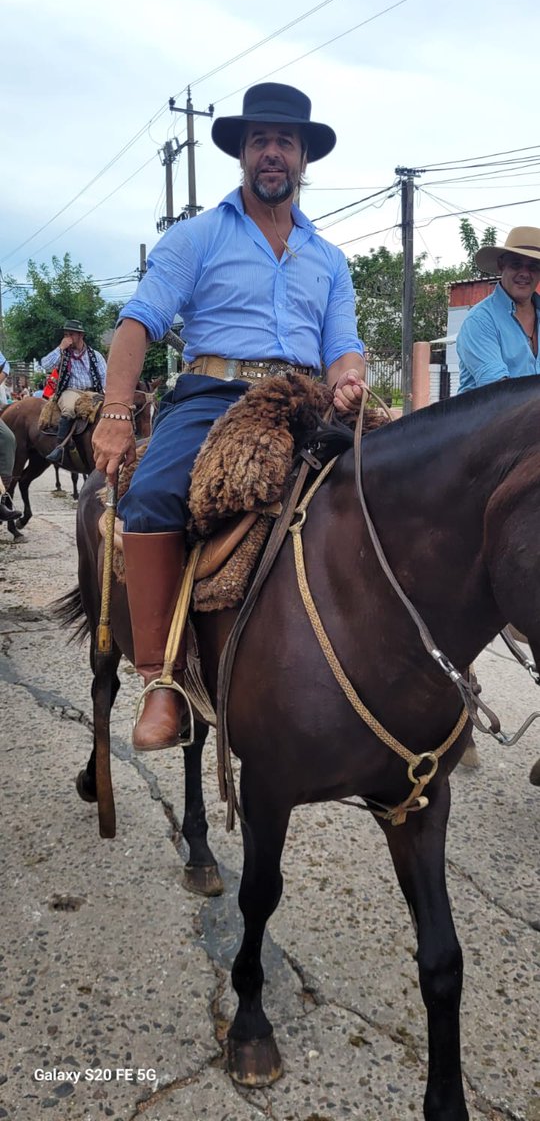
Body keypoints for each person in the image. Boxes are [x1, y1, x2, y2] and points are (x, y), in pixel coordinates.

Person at [92, 82, 366, 753]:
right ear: (243, 155)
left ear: (304, 158)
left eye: (284, 142)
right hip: (215, 397)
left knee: (396, 488)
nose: (272, 153)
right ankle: (165, 682)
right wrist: (117, 412)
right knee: (153, 498)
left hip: (305, 401)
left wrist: (351, 380)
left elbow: (342, 347)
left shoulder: (329, 259)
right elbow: (137, 325)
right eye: (259, 142)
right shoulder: (197, 237)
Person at [457, 226, 540, 392]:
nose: (525, 273)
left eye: (533, 267)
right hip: (489, 418)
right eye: (516, 264)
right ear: (502, 265)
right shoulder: (480, 321)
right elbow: (500, 392)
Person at [41, 321, 107, 464]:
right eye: (66, 334)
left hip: (92, 392)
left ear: (81, 335)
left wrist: (106, 393)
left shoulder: (95, 355)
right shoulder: (62, 353)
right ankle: (60, 447)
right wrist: (60, 348)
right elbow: (45, 364)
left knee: (108, 410)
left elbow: (104, 377)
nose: (67, 337)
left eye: (71, 334)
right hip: (70, 391)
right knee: (69, 409)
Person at [0, 348, 22, 521]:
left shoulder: (94, 356)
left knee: (7, 438)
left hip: (90, 393)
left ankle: (2, 497)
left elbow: (4, 365)